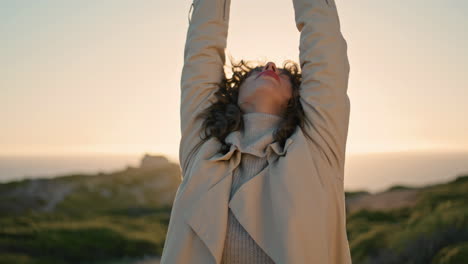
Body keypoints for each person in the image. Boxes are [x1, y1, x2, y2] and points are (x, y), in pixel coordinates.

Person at [160, 0, 352, 263]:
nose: (271, 66)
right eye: (255, 72)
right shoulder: (202, 148)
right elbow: (200, 54)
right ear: (235, 94)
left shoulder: (316, 148)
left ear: (297, 97)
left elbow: (325, 46)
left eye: (284, 75)